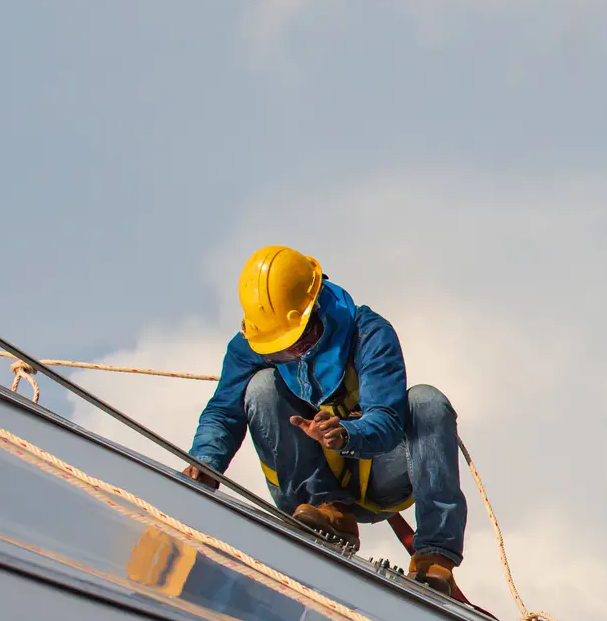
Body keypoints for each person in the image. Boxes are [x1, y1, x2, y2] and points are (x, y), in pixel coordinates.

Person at [181, 244, 465, 597]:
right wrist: (204, 462)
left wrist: (345, 433)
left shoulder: (369, 333)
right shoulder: (252, 345)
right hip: (307, 492)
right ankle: (326, 510)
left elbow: (387, 421)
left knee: (427, 402)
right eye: (282, 348)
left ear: (315, 307)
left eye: (301, 340)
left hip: (378, 475)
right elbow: (223, 412)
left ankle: (434, 559)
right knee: (260, 388)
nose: (294, 352)